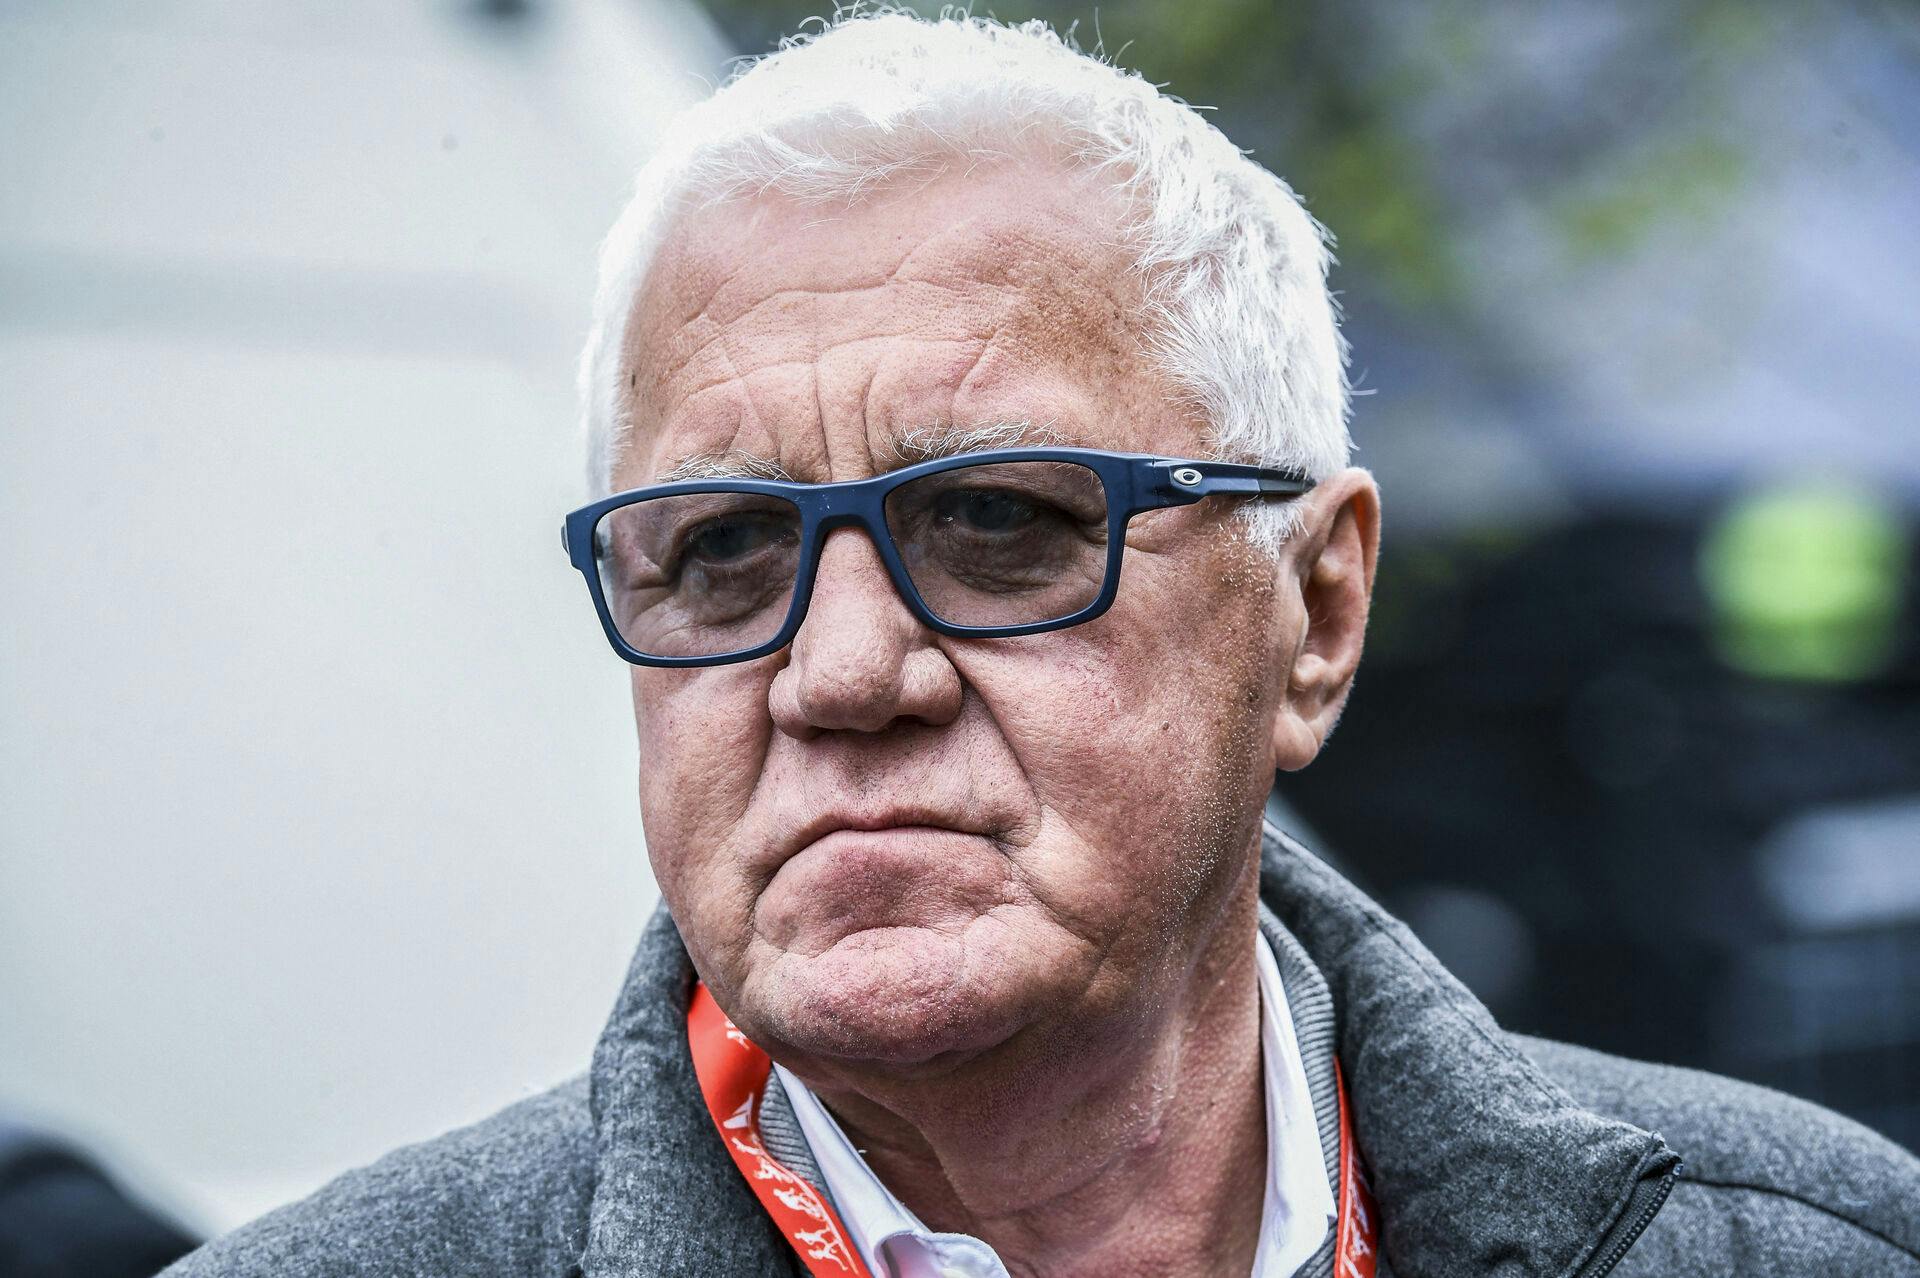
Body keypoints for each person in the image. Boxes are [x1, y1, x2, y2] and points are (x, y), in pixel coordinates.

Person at [167, 12, 1920, 1277]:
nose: (845, 674)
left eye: (1000, 523)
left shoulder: (1799, 1245)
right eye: (717, 550)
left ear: (1315, 613)